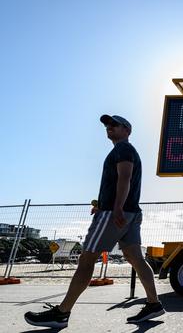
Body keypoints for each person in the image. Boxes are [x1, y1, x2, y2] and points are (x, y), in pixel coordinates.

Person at [25, 115, 165, 328]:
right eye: (107, 125)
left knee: (87, 258)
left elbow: (124, 177)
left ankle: (61, 314)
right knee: (135, 257)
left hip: (115, 212)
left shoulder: (123, 149)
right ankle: (154, 304)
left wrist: (115, 206)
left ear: (127, 130)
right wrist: (104, 203)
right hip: (131, 213)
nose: (109, 127)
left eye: (114, 125)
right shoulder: (125, 150)